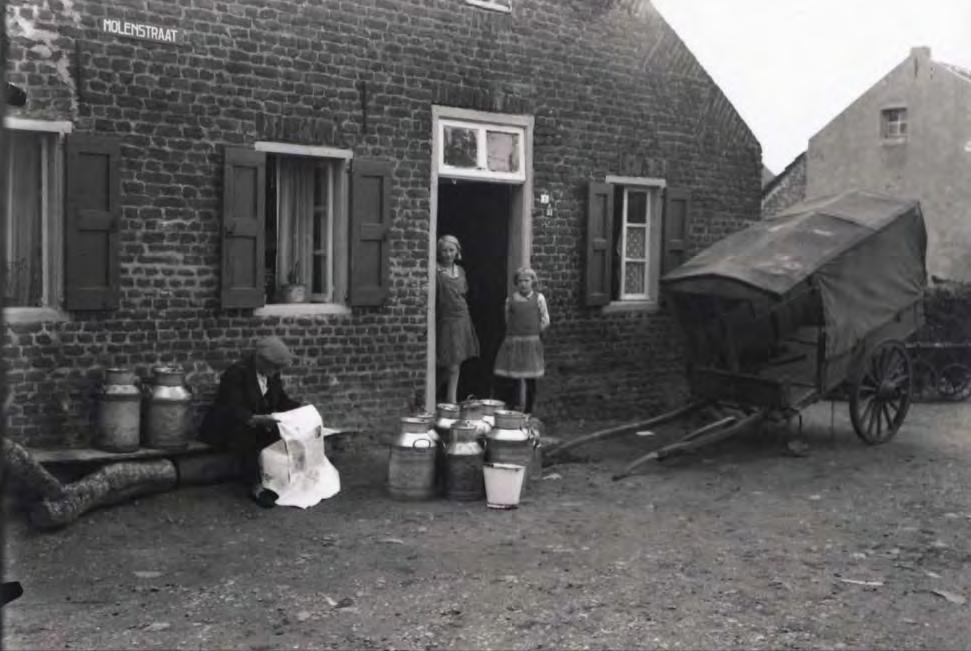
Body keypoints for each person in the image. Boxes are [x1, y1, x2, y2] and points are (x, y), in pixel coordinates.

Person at [199, 336, 301, 507]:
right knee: (247, 436)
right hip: (227, 426)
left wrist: (300, 410)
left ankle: (281, 479)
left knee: (282, 432)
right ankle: (255, 486)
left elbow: (281, 400)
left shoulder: (272, 375)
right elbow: (233, 409)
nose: (276, 371)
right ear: (260, 360)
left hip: (257, 422)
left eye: (279, 367)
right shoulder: (236, 373)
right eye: (274, 366)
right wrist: (257, 420)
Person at [493, 267, 550, 414]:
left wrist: (533, 332)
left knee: (530, 380)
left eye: (527, 280)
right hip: (514, 342)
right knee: (513, 378)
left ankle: (528, 410)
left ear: (533, 281)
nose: (523, 284)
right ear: (516, 283)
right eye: (520, 281)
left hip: (531, 343)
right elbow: (508, 319)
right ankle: (512, 408)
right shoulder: (510, 300)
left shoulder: (539, 298)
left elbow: (545, 320)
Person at [436, 234, 480, 404]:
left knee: (457, 363)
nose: (447, 254)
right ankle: (436, 394)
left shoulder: (460, 271)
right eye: (444, 250)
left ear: (457, 252)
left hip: (462, 318)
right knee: (448, 364)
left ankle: (450, 401)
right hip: (446, 320)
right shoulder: (436, 270)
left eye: (451, 250)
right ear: (439, 252)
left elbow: (463, 293)